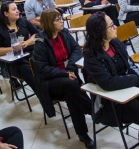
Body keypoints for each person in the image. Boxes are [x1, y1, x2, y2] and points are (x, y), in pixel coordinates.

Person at [83, 12, 139, 149]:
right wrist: (137, 82)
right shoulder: (91, 56)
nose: (116, 27)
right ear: (100, 31)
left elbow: (131, 65)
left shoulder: (116, 43)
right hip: (112, 102)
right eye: (111, 26)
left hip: (130, 89)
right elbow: (108, 83)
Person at [32, 9, 94, 149]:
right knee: (70, 83)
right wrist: (65, 74)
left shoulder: (64, 33)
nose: (62, 21)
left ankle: (83, 134)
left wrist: (70, 69)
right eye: (58, 19)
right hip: (49, 82)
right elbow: (42, 70)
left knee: (71, 92)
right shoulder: (41, 42)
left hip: (68, 77)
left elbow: (76, 50)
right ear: (49, 23)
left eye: (61, 18)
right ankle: (93, 110)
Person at [0, 2, 37, 92]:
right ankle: (42, 93)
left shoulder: (23, 21)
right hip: (14, 61)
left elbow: (37, 34)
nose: (17, 11)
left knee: (42, 59)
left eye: (17, 9)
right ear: (6, 13)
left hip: (29, 53)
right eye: (14, 9)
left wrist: (26, 43)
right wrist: (13, 48)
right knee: (27, 68)